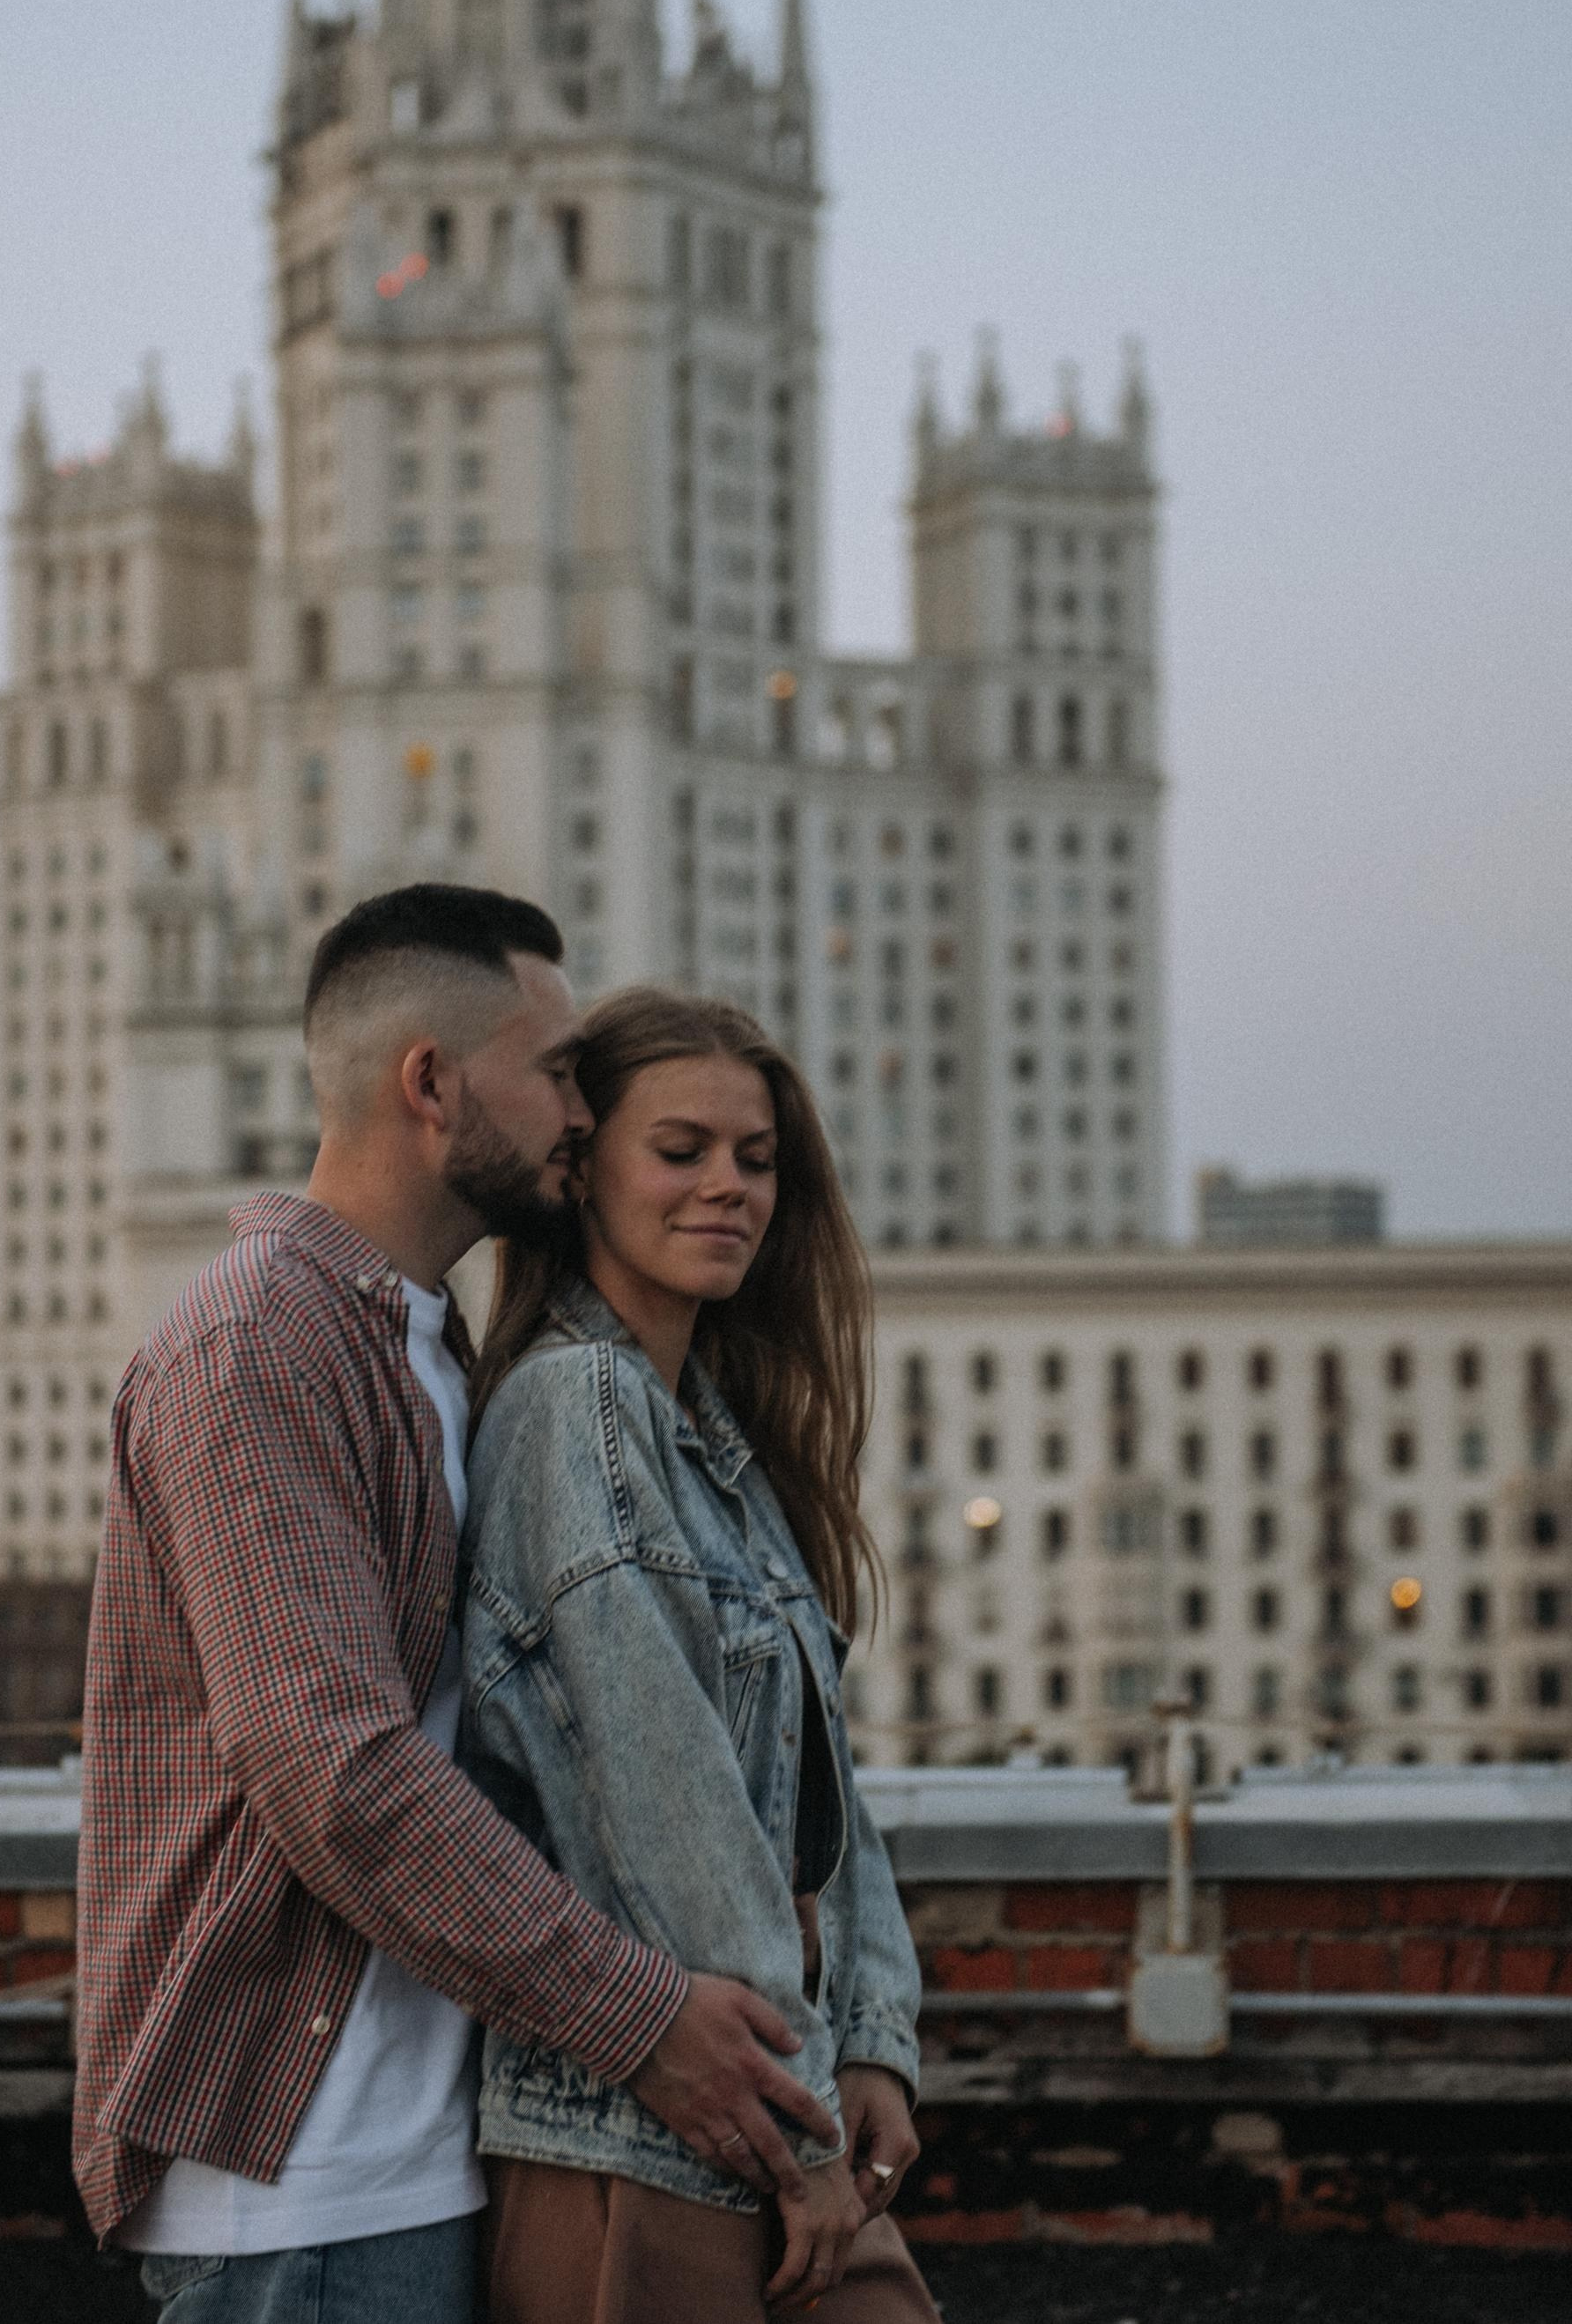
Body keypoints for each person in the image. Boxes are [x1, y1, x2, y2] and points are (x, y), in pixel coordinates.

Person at [75, 889, 839, 2322]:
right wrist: (644, 2018)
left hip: (428, 2157)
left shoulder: (428, 1349)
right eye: (553, 1070)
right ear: (431, 1082)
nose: (577, 1107)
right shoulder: (260, 1342)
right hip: (299, 2190)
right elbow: (335, 1773)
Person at [461, 987, 940, 2323]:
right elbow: (665, 1801)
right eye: (682, 1152)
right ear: (582, 1169)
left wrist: (877, 2048)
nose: (729, 1185)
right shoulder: (579, 1409)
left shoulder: (714, 1445)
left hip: (766, 2129)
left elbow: (816, 1802)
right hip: (631, 2149)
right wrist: (804, 2140)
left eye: (757, 1157)